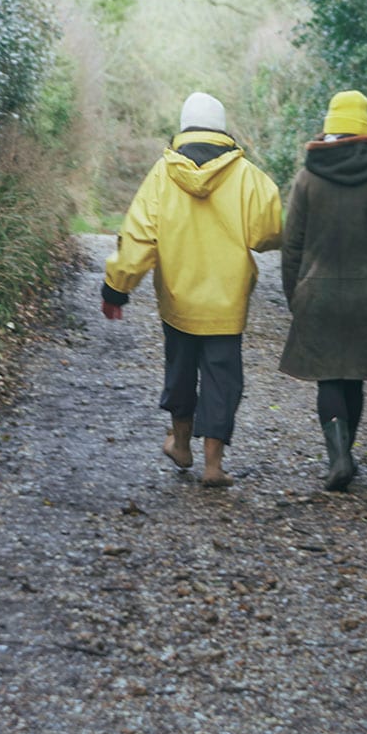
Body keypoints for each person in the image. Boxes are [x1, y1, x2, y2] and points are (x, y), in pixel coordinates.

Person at [101, 91, 283, 487]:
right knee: (223, 380)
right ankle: (214, 466)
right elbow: (269, 232)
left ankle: (181, 445)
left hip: (179, 302)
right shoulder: (247, 176)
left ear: (184, 127)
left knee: (181, 373)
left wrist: (117, 287)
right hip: (227, 304)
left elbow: (138, 239)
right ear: (222, 129)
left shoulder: (162, 176)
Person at [279, 89, 367, 490]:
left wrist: (294, 296)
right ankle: (345, 455)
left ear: (330, 126)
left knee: (329, 379)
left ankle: (338, 457)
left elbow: (292, 246)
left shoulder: (306, 180)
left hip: (317, 296)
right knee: (353, 378)